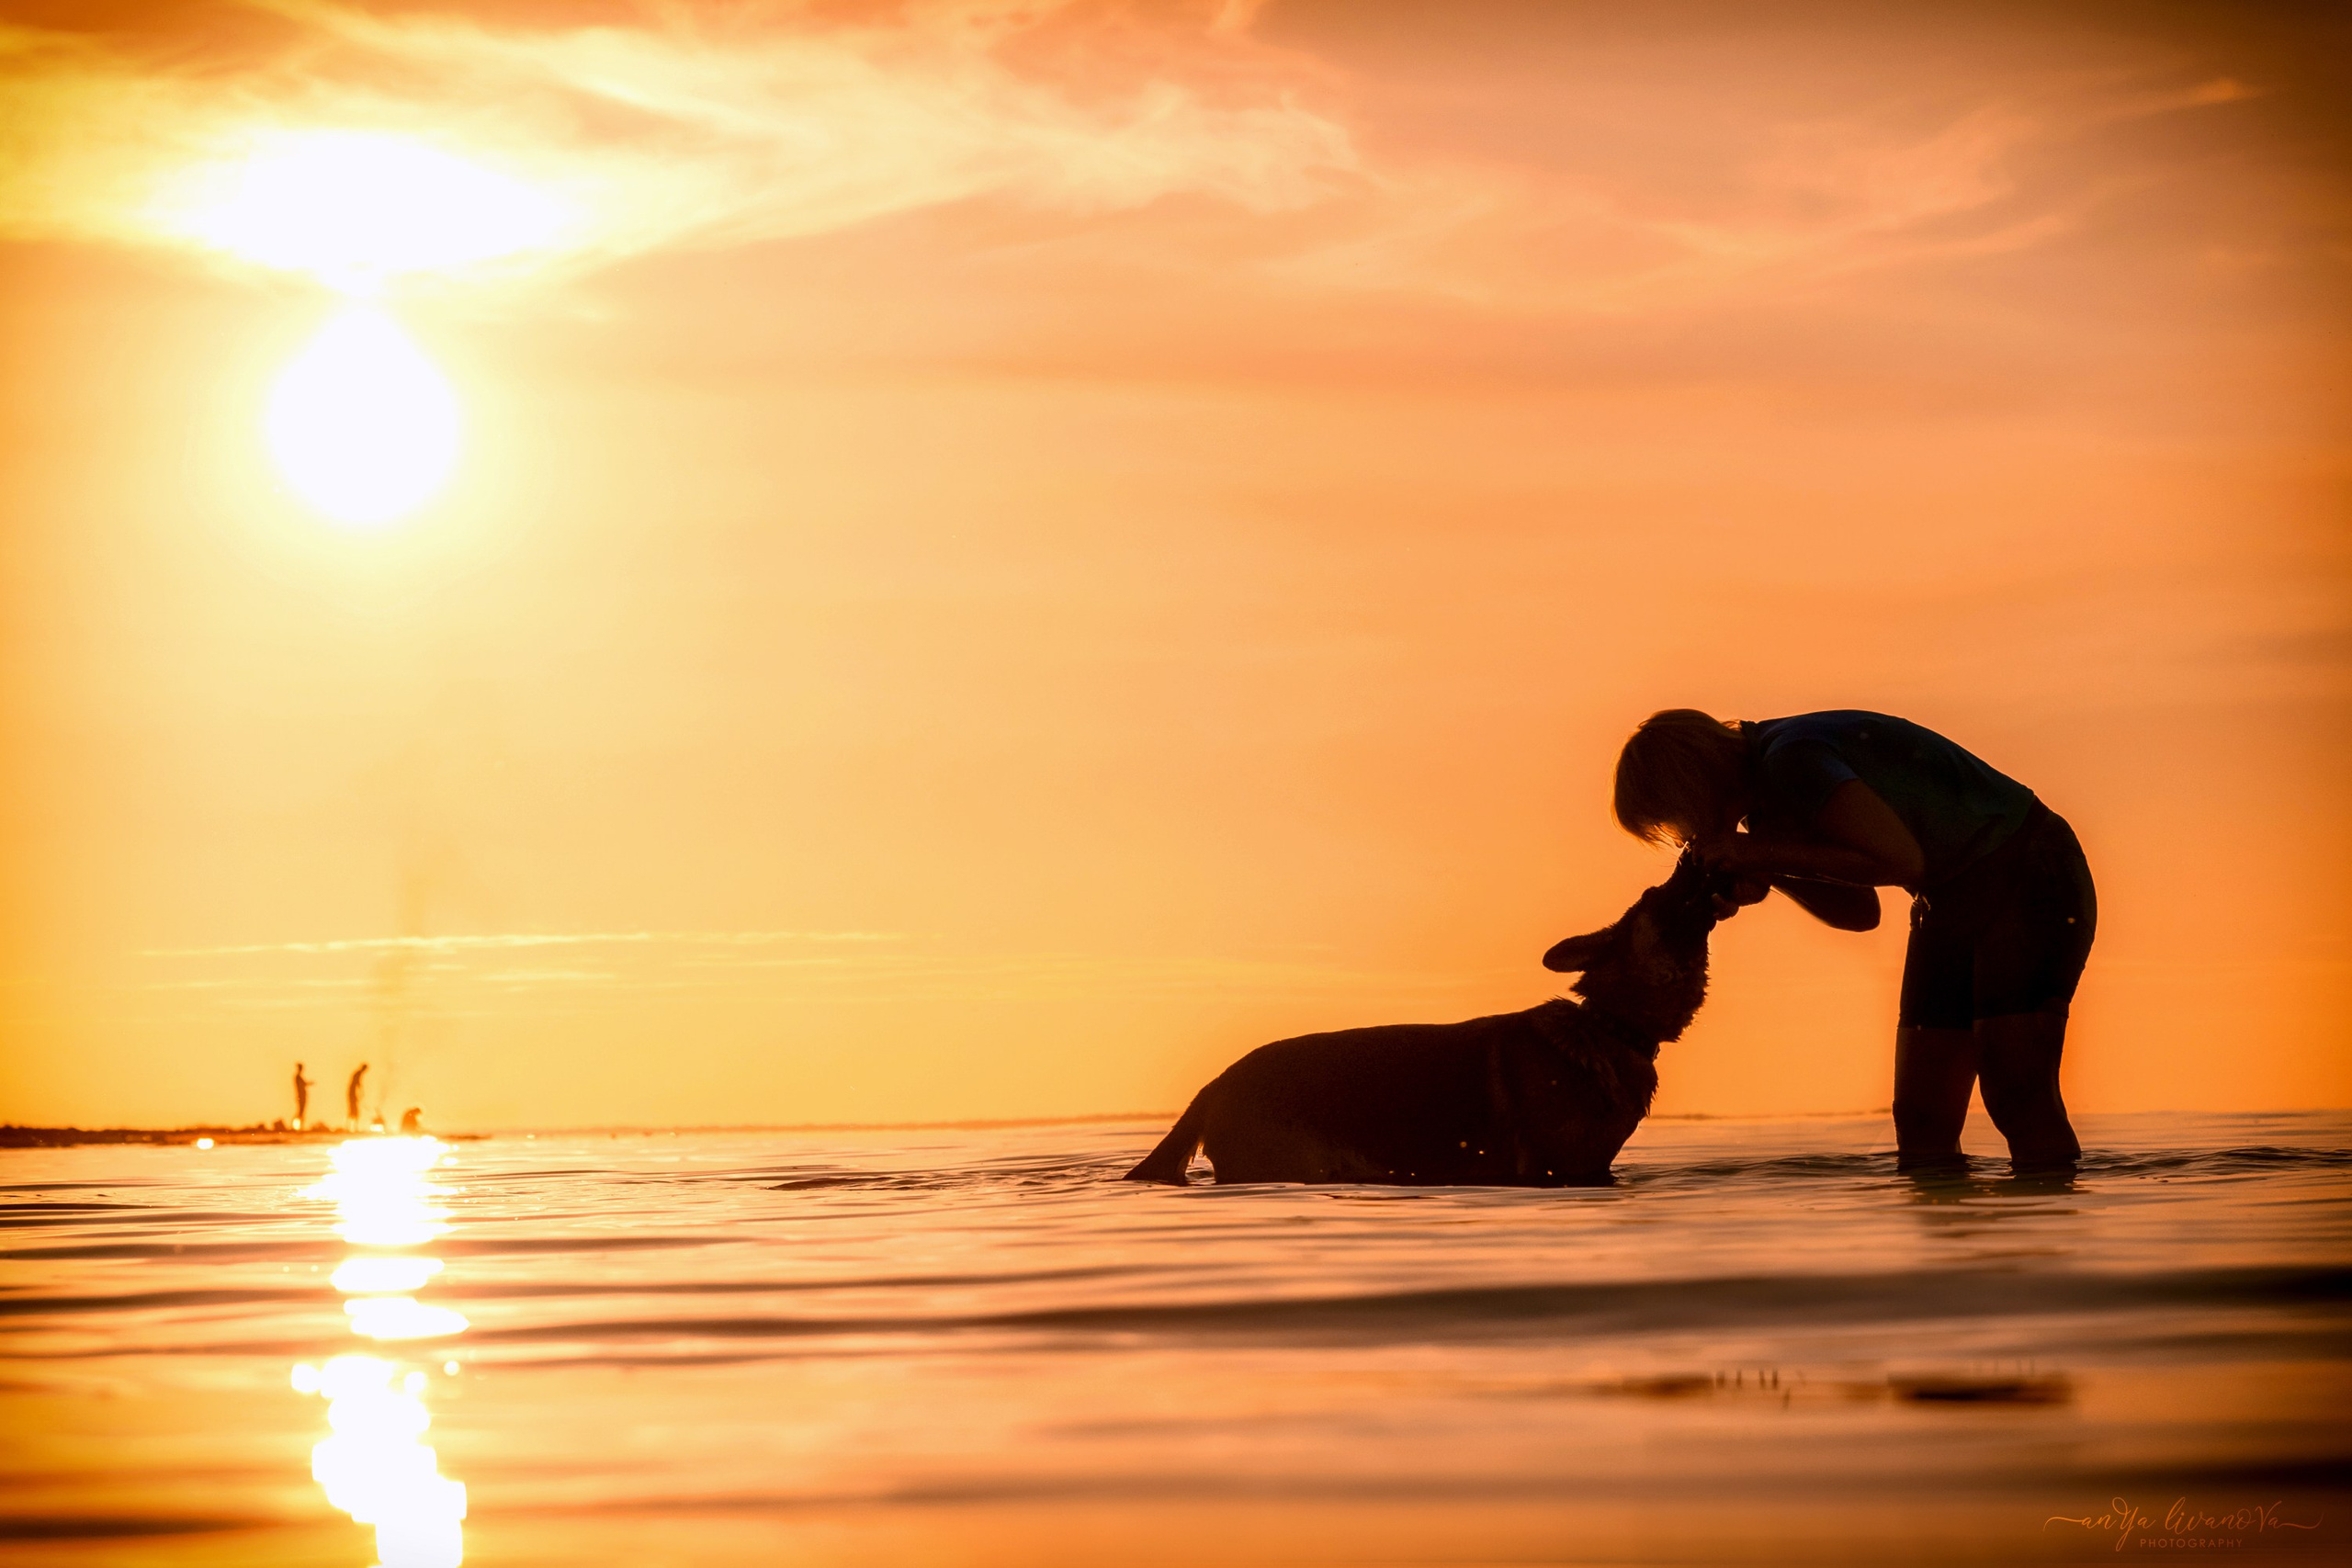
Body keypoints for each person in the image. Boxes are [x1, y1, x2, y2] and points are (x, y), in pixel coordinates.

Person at [1608, 708, 2094, 1170]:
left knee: (2017, 1091)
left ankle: (2043, 1243)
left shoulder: (1791, 757)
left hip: (2026, 867)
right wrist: (1764, 864)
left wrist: (1762, 852)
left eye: (1675, 819)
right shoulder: (1767, 799)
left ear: (1693, 785)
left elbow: (1901, 861)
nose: (1684, 835)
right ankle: (1954, 1253)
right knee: (1924, 1118)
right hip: (1948, 896)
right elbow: (1860, 913)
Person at [345, 1063, 368, 1130]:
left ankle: (352, 1127)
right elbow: (356, 1083)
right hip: (352, 1094)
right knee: (353, 1111)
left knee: (353, 1110)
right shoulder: (358, 1073)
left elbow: (357, 1083)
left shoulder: (358, 1073)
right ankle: (351, 1127)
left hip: (353, 1094)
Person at [292, 1063, 313, 1130]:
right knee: (300, 1111)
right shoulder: (298, 1077)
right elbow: (303, 1084)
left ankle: (299, 1126)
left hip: (302, 1096)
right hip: (300, 1096)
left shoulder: (298, 1077)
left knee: (301, 1111)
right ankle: (297, 1127)